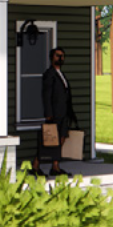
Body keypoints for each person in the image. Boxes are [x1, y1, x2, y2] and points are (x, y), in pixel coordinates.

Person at [31, 46, 77, 178]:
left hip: (64, 113)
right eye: (58, 55)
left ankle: (55, 166)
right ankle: (35, 165)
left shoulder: (61, 74)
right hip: (54, 113)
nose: (60, 58)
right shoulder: (49, 74)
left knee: (61, 139)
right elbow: (46, 95)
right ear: (52, 58)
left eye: (62, 56)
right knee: (49, 140)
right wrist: (49, 113)